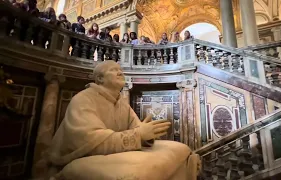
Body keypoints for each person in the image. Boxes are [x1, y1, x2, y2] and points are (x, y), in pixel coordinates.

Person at [42, 61, 200, 180]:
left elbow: (138, 129)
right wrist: (138, 135)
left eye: (120, 70)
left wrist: (147, 133)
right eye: (113, 70)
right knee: (143, 172)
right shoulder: (83, 99)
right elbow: (90, 142)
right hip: (77, 158)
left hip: (111, 152)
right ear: (100, 78)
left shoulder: (121, 103)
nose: (120, 73)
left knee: (180, 148)